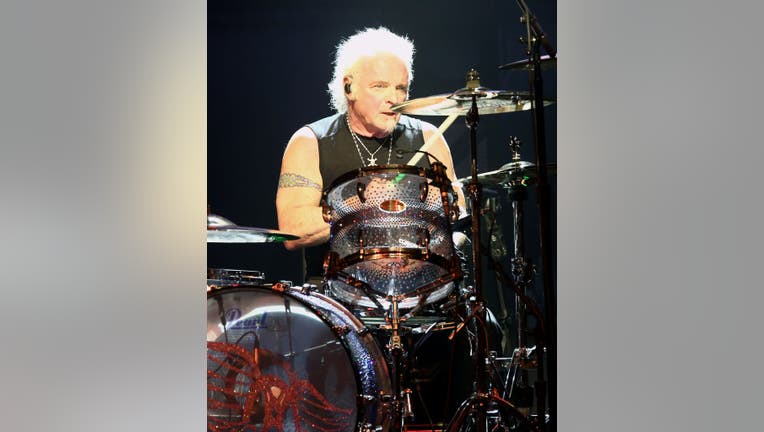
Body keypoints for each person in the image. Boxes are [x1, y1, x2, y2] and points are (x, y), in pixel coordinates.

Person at [275, 26, 466, 283]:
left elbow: (460, 218)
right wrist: (363, 202)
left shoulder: (429, 138)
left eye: (401, 88)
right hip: (337, 300)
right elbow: (293, 230)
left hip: (419, 291)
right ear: (348, 87)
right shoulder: (310, 142)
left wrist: (436, 212)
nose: (393, 98)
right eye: (379, 86)